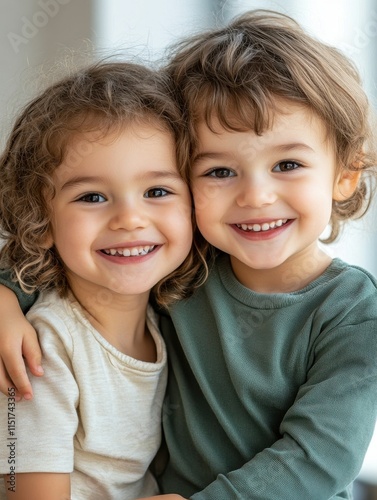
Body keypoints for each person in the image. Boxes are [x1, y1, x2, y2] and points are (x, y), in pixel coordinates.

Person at [1, 9, 377, 500]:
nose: (256, 196)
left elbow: (320, 456)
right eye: (220, 171)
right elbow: (70, 256)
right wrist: (5, 296)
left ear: (345, 174)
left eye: (287, 164)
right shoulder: (187, 267)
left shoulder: (353, 313)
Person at [0, 60, 199, 500]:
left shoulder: (168, 320)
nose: (129, 219)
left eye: (157, 191)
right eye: (92, 196)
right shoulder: (44, 351)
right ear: (41, 221)